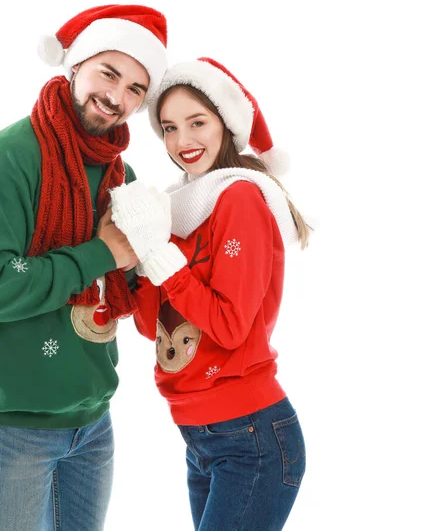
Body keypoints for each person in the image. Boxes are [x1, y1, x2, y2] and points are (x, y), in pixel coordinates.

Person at [0, 4, 168, 531]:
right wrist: (102, 253)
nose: (117, 97)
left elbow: (133, 283)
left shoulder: (122, 174)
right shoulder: (7, 158)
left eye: (137, 89)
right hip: (11, 426)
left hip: (92, 422)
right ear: (74, 65)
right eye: (108, 73)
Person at [110, 57, 310, 531]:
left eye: (197, 122)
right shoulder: (179, 209)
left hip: (251, 436)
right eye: (170, 128)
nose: (183, 142)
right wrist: (134, 260)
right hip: (201, 436)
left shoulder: (239, 198)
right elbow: (150, 327)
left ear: (226, 123)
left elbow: (229, 325)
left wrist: (162, 261)